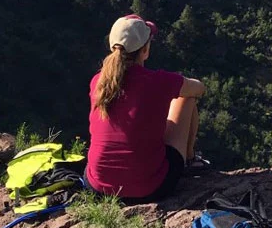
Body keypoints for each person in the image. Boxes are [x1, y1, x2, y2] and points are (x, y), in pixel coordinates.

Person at [85, 14, 207, 203]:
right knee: (186, 99)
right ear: (145, 50)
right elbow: (199, 89)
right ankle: (190, 160)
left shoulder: (98, 83)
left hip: (99, 188)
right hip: (149, 188)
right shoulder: (158, 81)